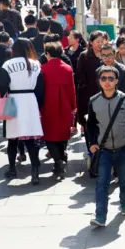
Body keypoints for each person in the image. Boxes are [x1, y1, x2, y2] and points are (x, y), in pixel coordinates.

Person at [88, 66, 125, 227]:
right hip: (104, 150)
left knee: (124, 178)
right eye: (104, 78)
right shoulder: (94, 101)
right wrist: (93, 143)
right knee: (102, 182)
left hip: (124, 147)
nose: (107, 82)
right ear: (99, 81)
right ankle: (100, 215)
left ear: (116, 81)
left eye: (111, 78)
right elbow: (91, 125)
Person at [0, 38, 44, 184]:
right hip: (30, 101)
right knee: (31, 138)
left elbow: (0, 83)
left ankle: (12, 169)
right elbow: (40, 87)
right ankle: (35, 171)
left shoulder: (8, 64)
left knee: (13, 138)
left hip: (14, 100)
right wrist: (38, 104)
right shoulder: (36, 64)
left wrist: (6, 93)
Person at [40, 42, 76, 179]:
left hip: (48, 105)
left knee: (49, 135)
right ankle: (60, 158)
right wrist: (73, 106)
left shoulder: (43, 69)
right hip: (65, 105)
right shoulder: (67, 69)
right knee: (63, 134)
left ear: (47, 54)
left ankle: (58, 161)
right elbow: (72, 90)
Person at [76, 31, 104, 149]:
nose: (100, 44)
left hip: (105, 95)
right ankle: (91, 149)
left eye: (102, 41)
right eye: (97, 42)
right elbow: (79, 77)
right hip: (88, 96)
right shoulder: (84, 56)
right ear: (91, 43)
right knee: (89, 125)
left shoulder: (107, 54)